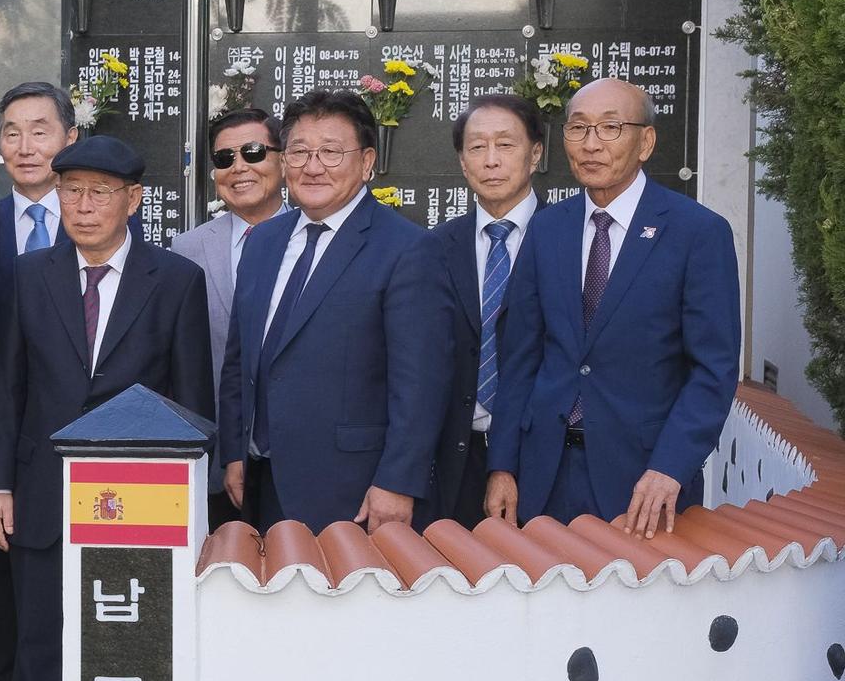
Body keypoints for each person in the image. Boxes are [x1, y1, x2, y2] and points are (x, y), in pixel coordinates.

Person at [0, 136, 212, 681]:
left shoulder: (174, 281)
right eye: (71, 190)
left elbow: (192, 398)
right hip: (43, 495)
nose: (82, 205)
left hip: (141, 505)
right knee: (38, 647)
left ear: (133, 201)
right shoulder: (26, 276)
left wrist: (194, 511)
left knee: (127, 650)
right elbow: (4, 391)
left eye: (100, 192)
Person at [486, 79, 740, 536]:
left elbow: (712, 369)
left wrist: (671, 466)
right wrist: (502, 464)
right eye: (578, 128)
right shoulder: (547, 230)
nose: (591, 144)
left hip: (645, 480)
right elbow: (520, 356)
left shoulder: (697, 233)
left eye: (610, 128)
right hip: (542, 475)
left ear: (646, 141)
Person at [219, 88, 443, 532]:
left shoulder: (407, 249)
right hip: (260, 480)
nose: (313, 166)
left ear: (366, 162)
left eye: (331, 152)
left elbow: (420, 384)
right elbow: (239, 360)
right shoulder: (263, 241)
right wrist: (233, 452)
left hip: (354, 490)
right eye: (299, 152)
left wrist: (398, 481)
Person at [0, 79, 77, 681]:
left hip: (80, 462)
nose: (25, 146)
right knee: (7, 619)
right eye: (11, 132)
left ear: (68, 139)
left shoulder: (96, 216)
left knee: (77, 618)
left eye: (40, 130)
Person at [426, 94, 544, 526]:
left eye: (505, 145)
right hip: (454, 458)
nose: (491, 160)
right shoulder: (435, 247)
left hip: (544, 455)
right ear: (462, 162)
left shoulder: (568, 239)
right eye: (477, 147)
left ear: (535, 154)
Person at [168, 108, 289, 527]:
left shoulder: (315, 239)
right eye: (224, 158)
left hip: (299, 458)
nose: (239, 167)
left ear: (283, 159)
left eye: (254, 153)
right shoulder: (186, 250)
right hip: (214, 460)